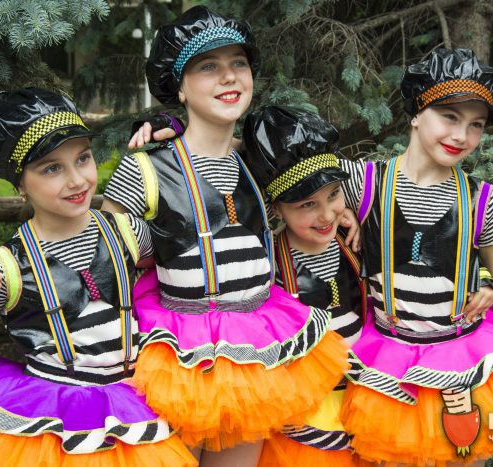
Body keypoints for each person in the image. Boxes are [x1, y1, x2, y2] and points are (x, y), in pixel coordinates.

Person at [98, 6, 349, 466]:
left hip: (256, 350)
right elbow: (99, 255)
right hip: (180, 356)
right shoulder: (146, 170)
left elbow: (331, 183)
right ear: (178, 86)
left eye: (238, 63)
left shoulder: (260, 165)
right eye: (208, 66)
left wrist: (343, 209)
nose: (229, 76)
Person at [0, 88, 196, 466]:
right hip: (52, 427)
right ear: (20, 183)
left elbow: (188, 269)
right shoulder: (3, 269)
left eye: (82, 158)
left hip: (136, 407)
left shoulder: (128, 232)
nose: (76, 180)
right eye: (52, 168)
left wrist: (176, 132)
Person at [335, 48, 493, 465]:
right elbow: (286, 170)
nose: (461, 136)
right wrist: (335, 210)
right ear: (416, 112)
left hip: (465, 357)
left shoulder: (482, 200)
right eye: (449, 116)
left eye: (475, 125)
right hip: (390, 360)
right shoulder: (363, 182)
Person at [225, 106, 364, 466]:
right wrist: (176, 128)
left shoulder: (357, 243)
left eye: (333, 195)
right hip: (303, 424)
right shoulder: (267, 264)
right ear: (276, 209)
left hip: (364, 413)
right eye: (307, 205)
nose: (326, 214)